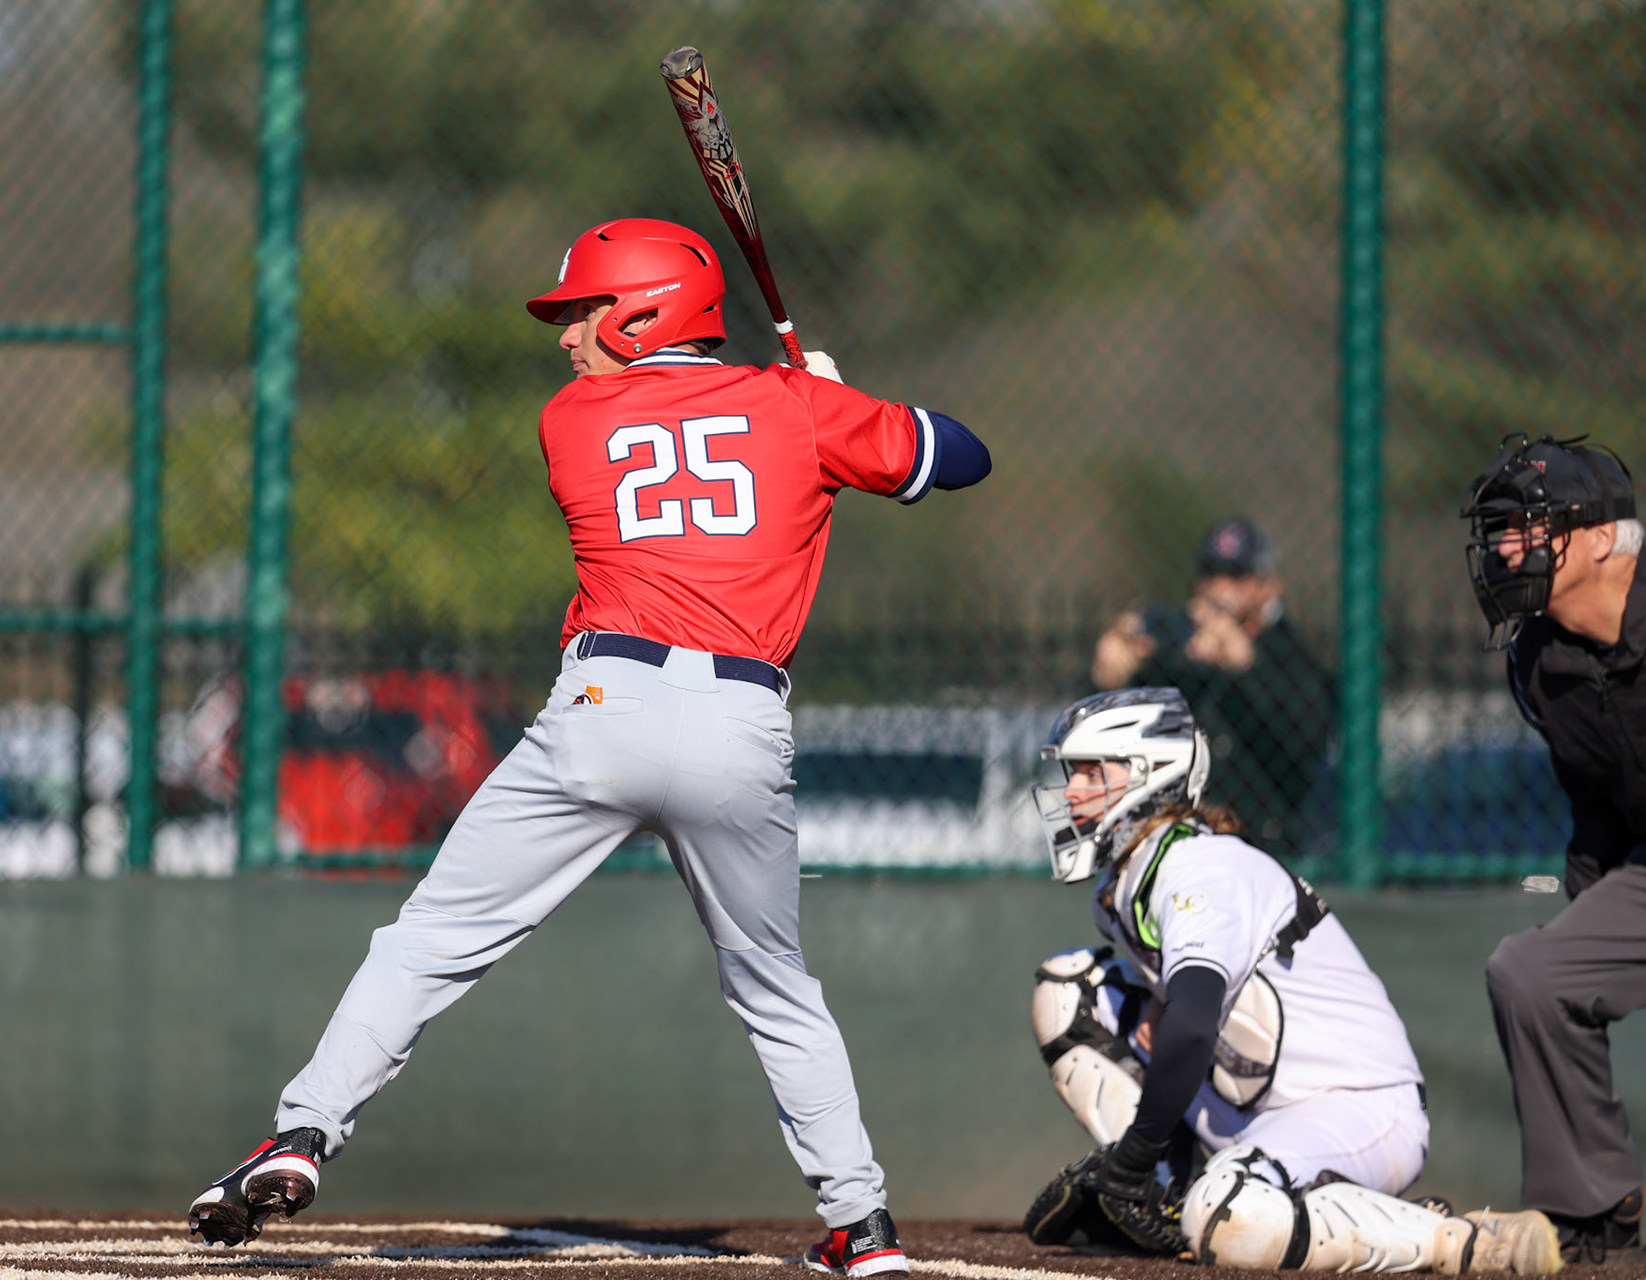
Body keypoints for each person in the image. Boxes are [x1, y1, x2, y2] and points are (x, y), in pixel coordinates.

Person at [186, 218, 992, 1272]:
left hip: (605, 706)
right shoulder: (796, 408)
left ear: (641, 311)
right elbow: (963, 455)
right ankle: (862, 1222)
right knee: (775, 985)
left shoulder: (572, 419)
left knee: (430, 937)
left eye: (582, 313)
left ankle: (303, 1131)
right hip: (741, 724)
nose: (567, 338)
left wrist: (807, 404)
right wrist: (846, 401)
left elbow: (700, 430)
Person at [1021, 686, 1559, 1274]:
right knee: (1071, 991)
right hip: (1252, 1104)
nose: (1072, 791)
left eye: (1093, 772)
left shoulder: (1200, 868)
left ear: (1155, 773)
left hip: (1356, 1108)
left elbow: (1195, 1023)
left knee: (1229, 1217)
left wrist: (1128, 1156)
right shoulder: (1127, 883)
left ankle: (1460, 1241)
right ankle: (1164, 1191)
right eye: (1072, 773)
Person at [1464, 433, 1646, 1266]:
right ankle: (1593, 1205)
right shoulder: (1540, 658)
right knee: (1531, 972)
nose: (1507, 547)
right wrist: (1590, 900)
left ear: (1603, 538)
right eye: (1499, 529)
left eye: (1529, 526)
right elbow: (1596, 796)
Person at [1090, 518, 1332, 856]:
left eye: (1237, 576)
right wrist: (1115, 670)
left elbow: (1308, 740)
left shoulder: (1290, 656)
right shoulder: (1181, 646)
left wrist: (1246, 668)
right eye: (1211, 574)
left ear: (1269, 586)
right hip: (1177, 843)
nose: (1220, 589)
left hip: (1265, 847)